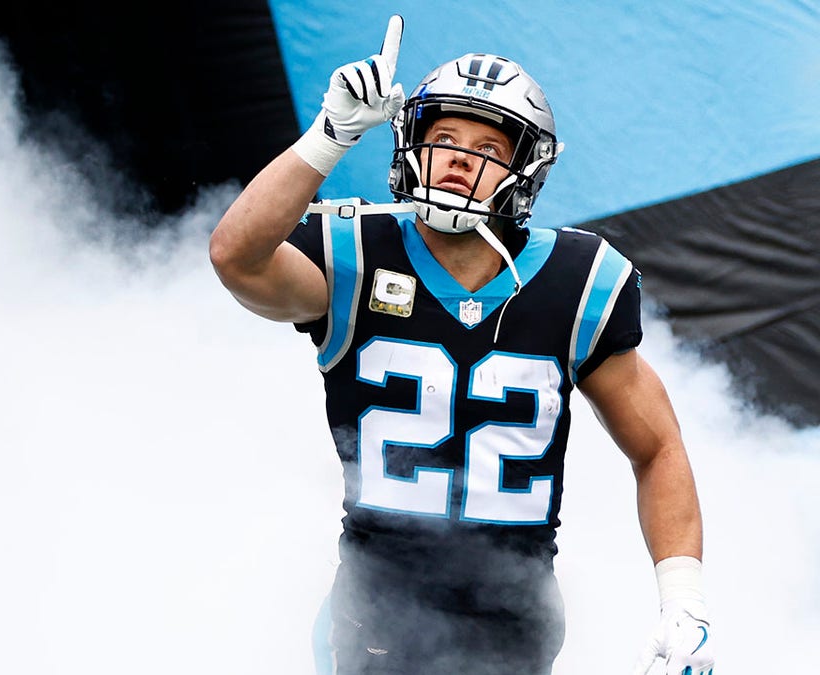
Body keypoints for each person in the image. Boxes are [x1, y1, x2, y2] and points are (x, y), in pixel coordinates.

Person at [208, 14, 714, 675]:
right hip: (376, 614)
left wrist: (684, 604)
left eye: (485, 146)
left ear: (524, 169)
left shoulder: (579, 279)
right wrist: (327, 140)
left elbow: (657, 446)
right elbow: (236, 258)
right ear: (408, 143)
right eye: (443, 136)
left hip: (515, 617)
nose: (456, 156)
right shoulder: (356, 255)